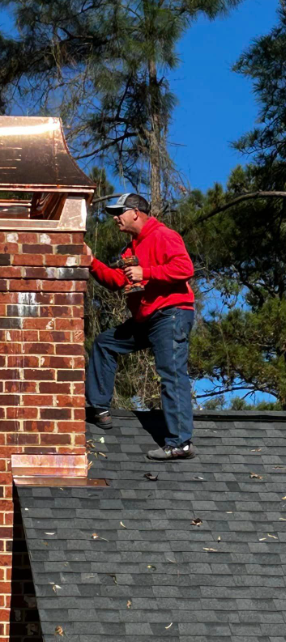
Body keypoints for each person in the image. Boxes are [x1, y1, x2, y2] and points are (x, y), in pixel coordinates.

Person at [86, 193, 196, 461]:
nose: (115, 218)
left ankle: (180, 443)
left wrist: (146, 272)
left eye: (119, 212)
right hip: (147, 319)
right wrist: (90, 261)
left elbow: (185, 268)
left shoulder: (164, 235)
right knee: (105, 343)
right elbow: (117, 280)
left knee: (171, 373)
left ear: (135, 212)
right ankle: (99, 408)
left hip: (171, 314)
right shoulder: (129, 249)